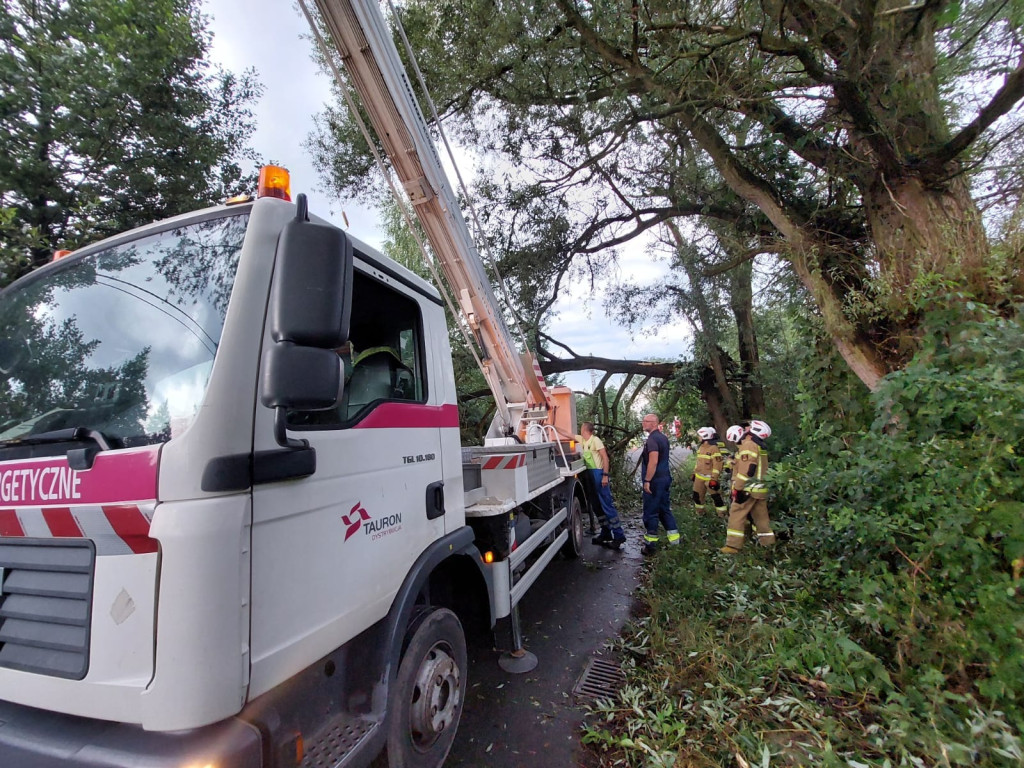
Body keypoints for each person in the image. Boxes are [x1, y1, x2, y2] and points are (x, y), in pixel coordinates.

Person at [721, 420, 776, 554]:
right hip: (760, 489)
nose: (746, 429)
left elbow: (747, 470)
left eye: (749, 428)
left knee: (736, 513)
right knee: (761, 518)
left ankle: (733, 546)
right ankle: (768, 543)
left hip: (748, 489)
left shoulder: (749, 445)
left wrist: (738, 488)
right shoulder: (758, 446)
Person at [578, 422, 626, 549]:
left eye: (581, 427)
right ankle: (606, 532)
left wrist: (605, 475)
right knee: (596, 505)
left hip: (599, 474)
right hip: (590, 475)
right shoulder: (583, 440)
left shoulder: (596, 440)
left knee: (606, 505)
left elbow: (605, 458)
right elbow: (568, 434)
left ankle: (619, 535)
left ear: (585, 429)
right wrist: (553, 427)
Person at [640, 413, 679, 555]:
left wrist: (647, 481)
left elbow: (653, 461)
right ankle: (675, 542)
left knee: (651, 512)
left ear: (654, 423)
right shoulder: (663, 438)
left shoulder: (652, 440)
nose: (643, 423)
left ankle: (650, 546)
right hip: (665, 478)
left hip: (655, 481)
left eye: (646, 421)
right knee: (664, 510)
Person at [692, 426, 727, 517]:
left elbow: (717, 464)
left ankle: (722, 515)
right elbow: (698, 462)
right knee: (697, 496)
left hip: (710, 478)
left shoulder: (713, 448)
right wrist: (694, 473)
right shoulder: (701, 447)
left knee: (716, 497)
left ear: (705, 436)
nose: (698, 438)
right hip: (699, 477)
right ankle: (700, 513)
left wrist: (714, 478)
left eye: (699, 436)